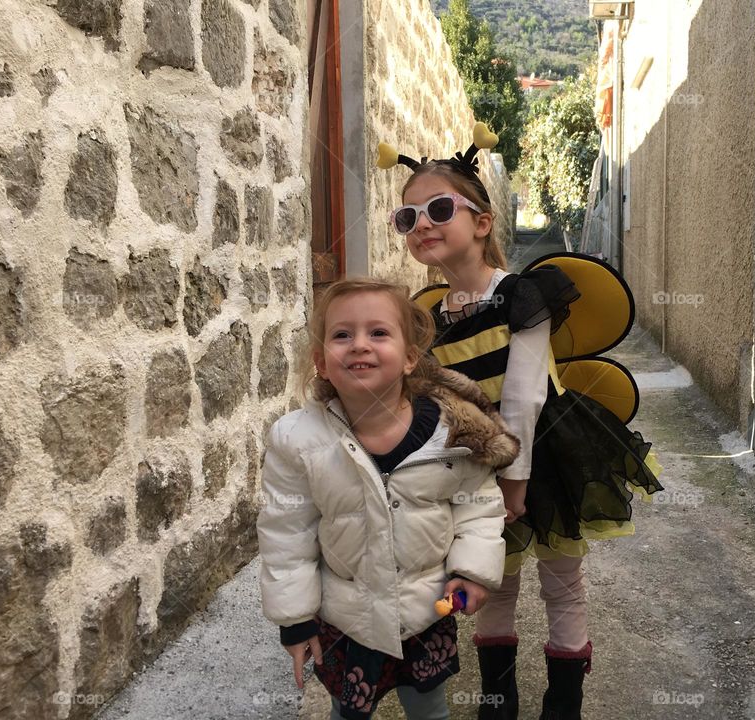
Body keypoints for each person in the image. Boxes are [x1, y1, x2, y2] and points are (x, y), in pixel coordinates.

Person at [378, 124, 663, 719]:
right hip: (479, 462)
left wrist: (516, 479)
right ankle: (496, 703)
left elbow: (527, 396)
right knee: (491, 582)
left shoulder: (523, 295)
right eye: (407, 218)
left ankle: (563, 706)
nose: (421, 224)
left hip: (546, 452)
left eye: (436, 208)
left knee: (561, 583)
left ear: (482, 223)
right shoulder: (430, 317)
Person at [257, 278, 521, 720]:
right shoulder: (296, 440)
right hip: (346, 617)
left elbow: (478, 506)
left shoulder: (449, 436)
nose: (359, 345)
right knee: (349, 710)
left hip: (429, 607)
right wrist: (295, 619)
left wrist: (473, 572)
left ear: (410, 358)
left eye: (378, 333)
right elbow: (287, 531)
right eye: (342, 335)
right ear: (321, 362)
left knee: (430, 707)